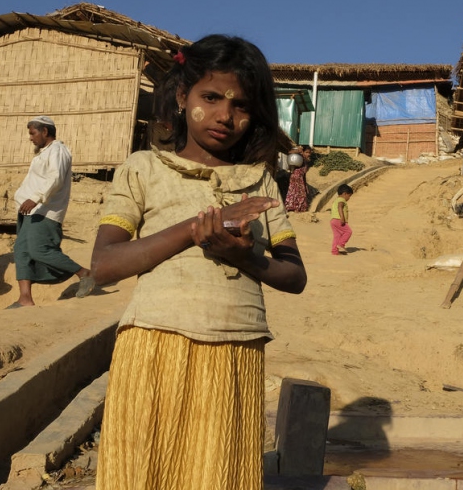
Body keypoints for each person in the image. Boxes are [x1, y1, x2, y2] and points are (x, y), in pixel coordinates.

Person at [88, 35, 307, 490]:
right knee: (145, 468)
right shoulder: (143, 168)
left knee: (217, 473)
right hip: (154, 342)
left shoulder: (260, 181)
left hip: (236, 348)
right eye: (211, 97)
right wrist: (195, 228)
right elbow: (104, 265)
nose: (226, 116)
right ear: (182, 96)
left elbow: (294, 275)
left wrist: (245, 257)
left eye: (242, 105)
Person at [9, 116, 92, 309]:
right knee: (21, 252)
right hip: (29, 212)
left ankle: (84, 273)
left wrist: (36, 198)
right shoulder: (43, 153)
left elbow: (55, 179)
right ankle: (25, 299)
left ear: (45, 131)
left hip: (44, 211)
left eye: (33, 133)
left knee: (40, 250)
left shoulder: (58, 150)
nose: (30, 138)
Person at [284, 145, 313, 212]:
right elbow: (289, 152)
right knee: (295, 193)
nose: (308, 154)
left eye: (309, 153)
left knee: (299, 193)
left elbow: (304, 174)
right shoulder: (299, 158)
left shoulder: (306, 161)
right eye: (306, 152)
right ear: (302, 152)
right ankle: (293, 208)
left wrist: (305, 185)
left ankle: (297, 208)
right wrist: (298, 150)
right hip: (295, 177)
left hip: (300, 179)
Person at [330, 183, 353, 255]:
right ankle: (341, 244)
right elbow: (340, 207)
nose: (349, 198)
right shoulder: (342, 200)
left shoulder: (336, 200)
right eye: (349, 196)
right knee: (348, 232)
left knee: (337, 235)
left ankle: (335, 251)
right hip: (338, 220)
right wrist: (342, 218)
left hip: (333, 220)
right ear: (345, 194)